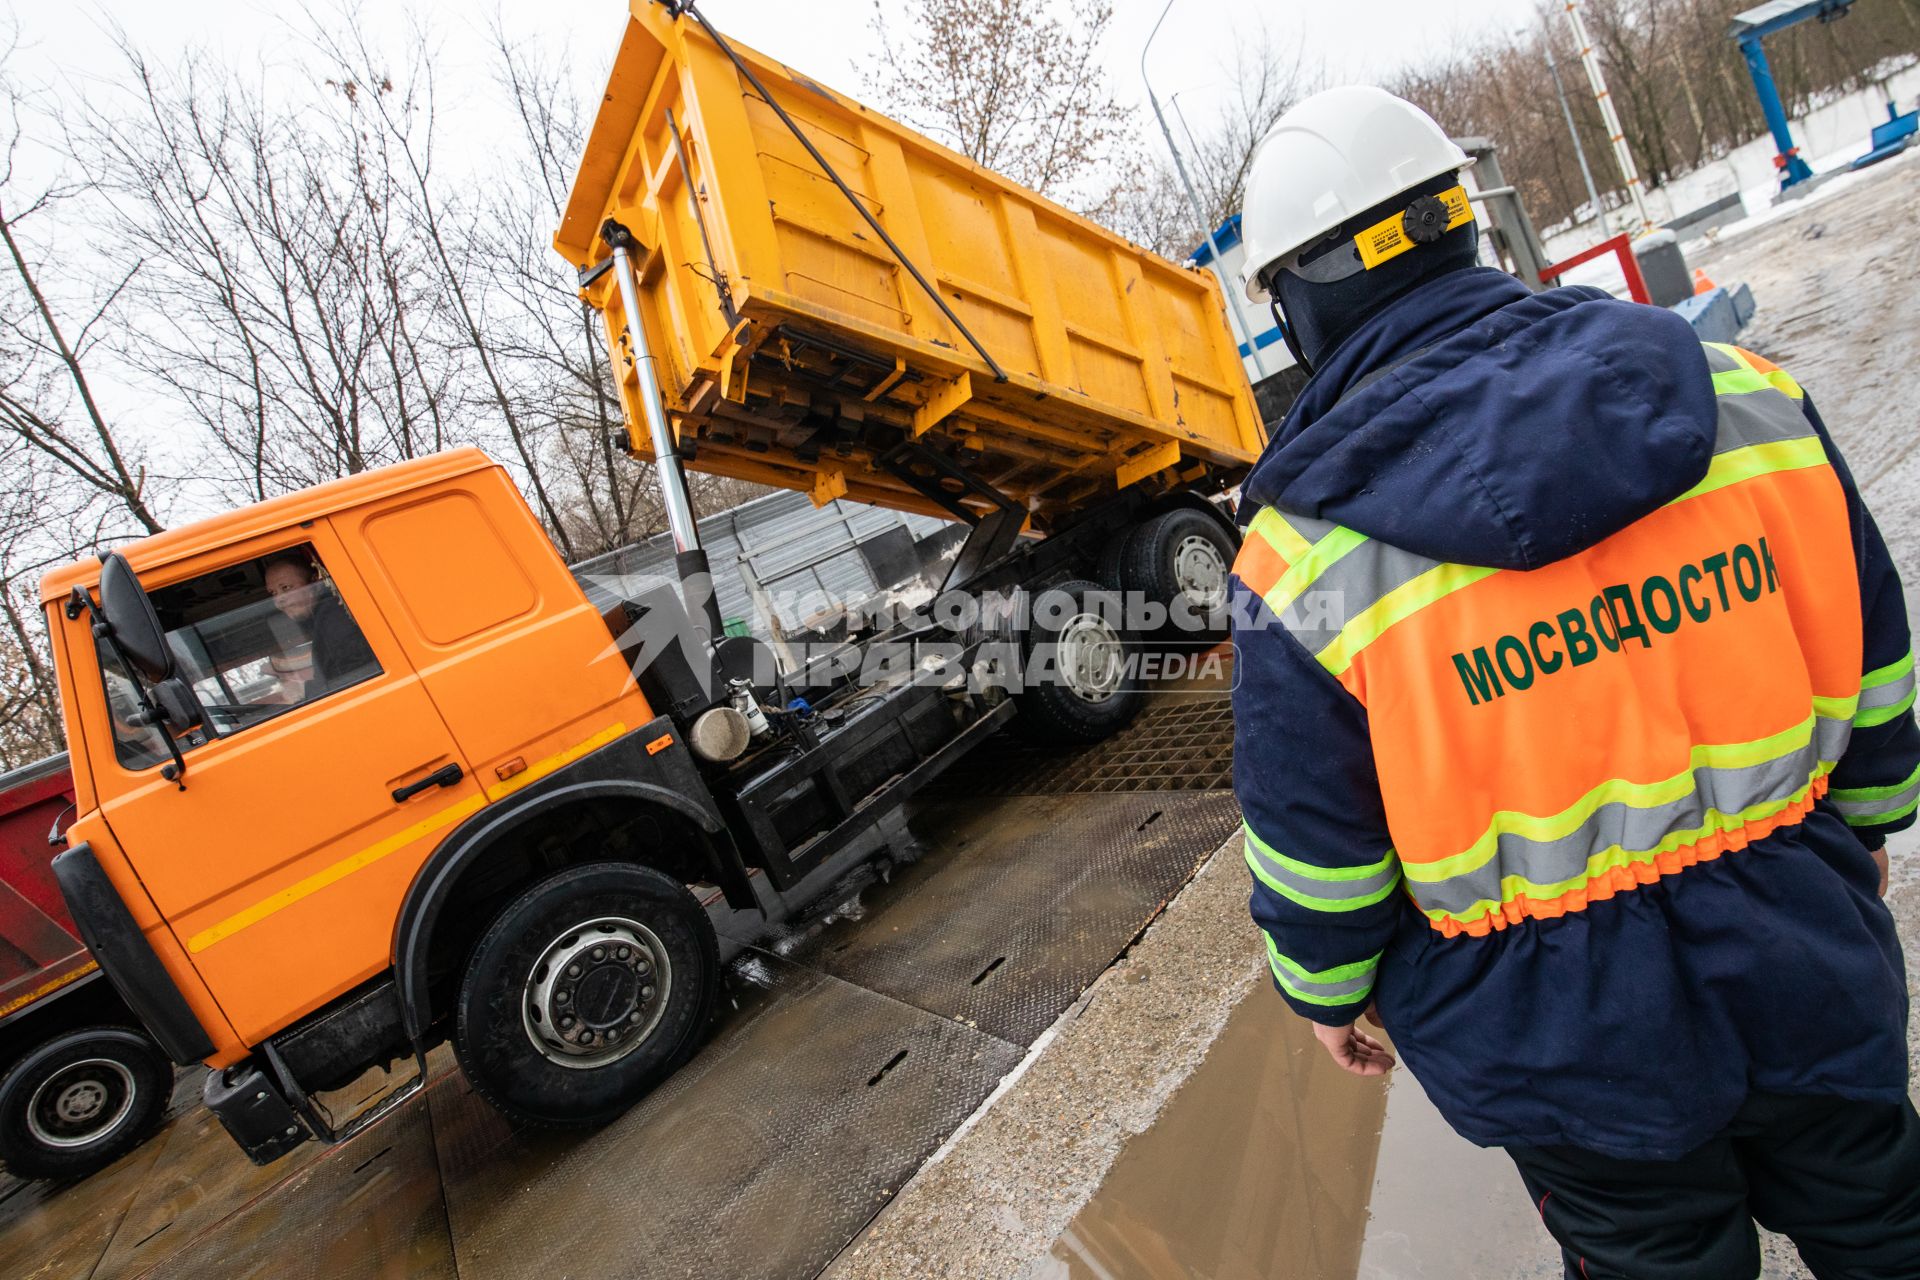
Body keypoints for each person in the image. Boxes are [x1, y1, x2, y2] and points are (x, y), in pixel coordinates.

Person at [1229, 85, 1920, 1278]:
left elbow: (1318, 843)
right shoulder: (1746, 396)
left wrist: (1328, 990)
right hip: (1806, 952)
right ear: (1466, 224)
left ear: (1298, 306)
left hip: (1556, 1040)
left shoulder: (1300, 565)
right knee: (1888, 1227)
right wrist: (1871, 821)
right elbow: (1875, 658)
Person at [262, 553, 378, 696]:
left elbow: (353, 679)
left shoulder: (335, 620)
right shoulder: (320, 620)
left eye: (286, 588)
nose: (279, 600)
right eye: (273, 593)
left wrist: (300, 690)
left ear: (315, 583)